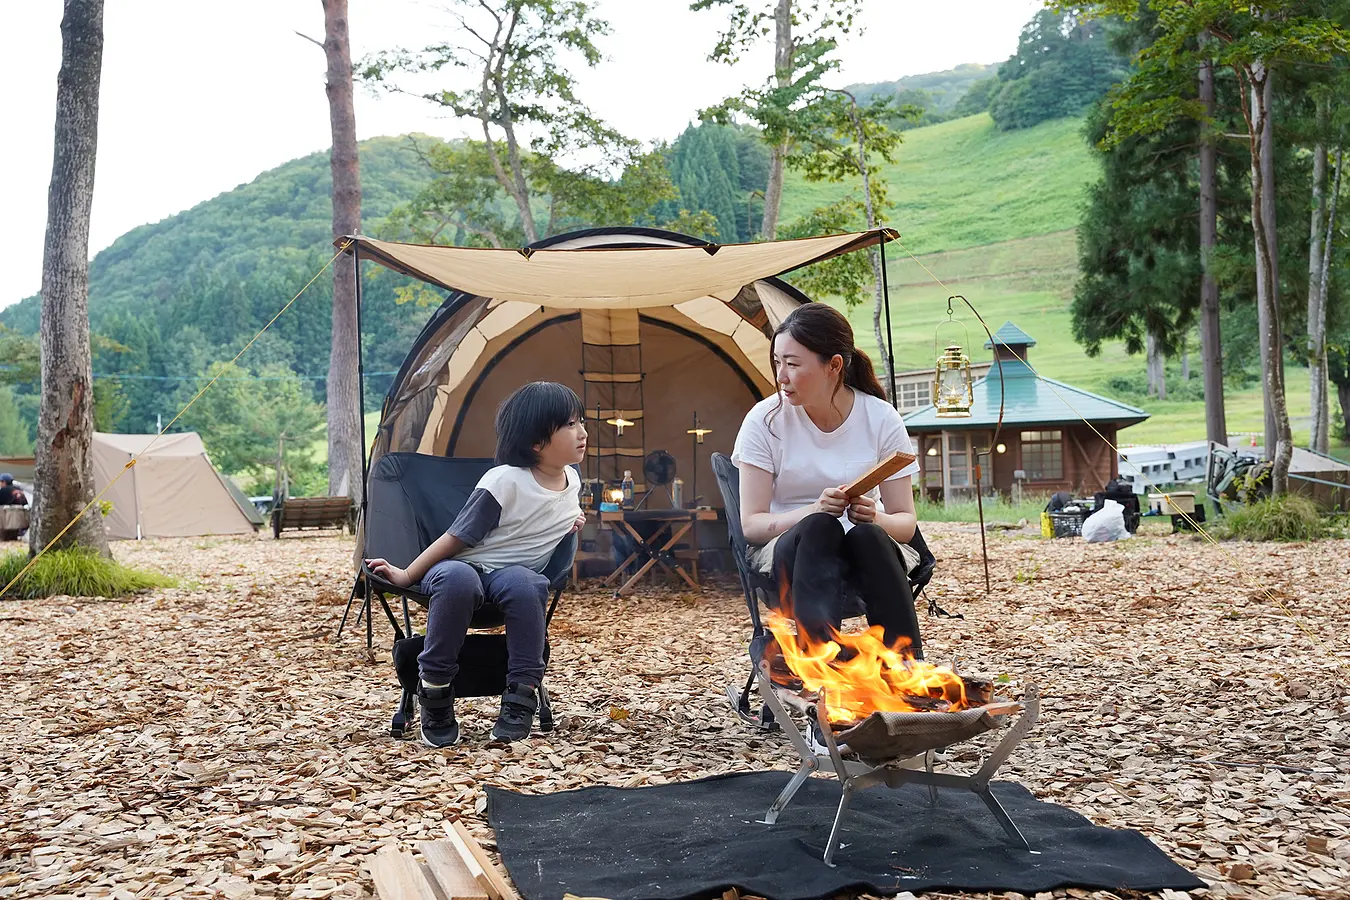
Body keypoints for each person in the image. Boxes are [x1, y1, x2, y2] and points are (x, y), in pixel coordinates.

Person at [365, 382, 588, 748]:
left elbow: (551, 518)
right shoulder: (504, 482)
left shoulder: (571, 479)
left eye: (581, 421)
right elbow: (456, 538)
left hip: (511, 577)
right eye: (570, 425)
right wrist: (407, 575)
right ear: (536, 444)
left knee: (528, 583)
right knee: (458, 578)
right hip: (461, 570)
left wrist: (571, 523)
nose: (583, 432)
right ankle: (434, 688)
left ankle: (521, 694)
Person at [732, 302, 924, 656]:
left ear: (833, 365)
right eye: (777, 362)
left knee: (868, 535)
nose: (781, 376)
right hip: (790, 555)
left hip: (869, 555)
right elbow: (752, 526)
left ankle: (907, 667)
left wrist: (876, 517)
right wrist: (813, 511)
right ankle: (821, 664)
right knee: (821, 527)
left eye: (792, 364)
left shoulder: (881, 419)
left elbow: (906, 523)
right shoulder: (765, 422)